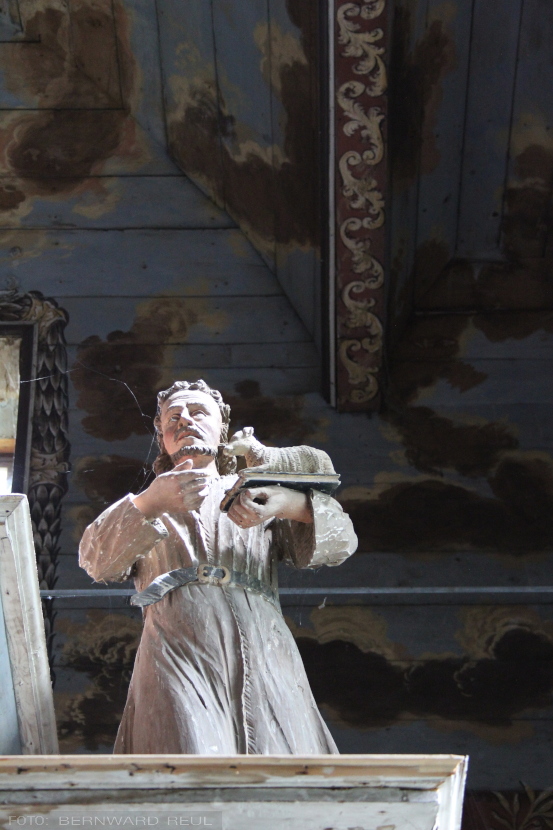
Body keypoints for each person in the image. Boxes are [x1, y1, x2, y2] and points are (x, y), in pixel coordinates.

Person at [79, 379, 357, 754]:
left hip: (262, 638)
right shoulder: (151, 502)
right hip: (176, 641)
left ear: (221, 428)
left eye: (198, 412)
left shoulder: (254, 491)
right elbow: (96, 561)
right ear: (162, 437)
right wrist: (150, 502)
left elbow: (342, 542)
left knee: (277, 744)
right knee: (187, 745)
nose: (185, 421)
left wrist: (288, 504)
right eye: (172, 417)